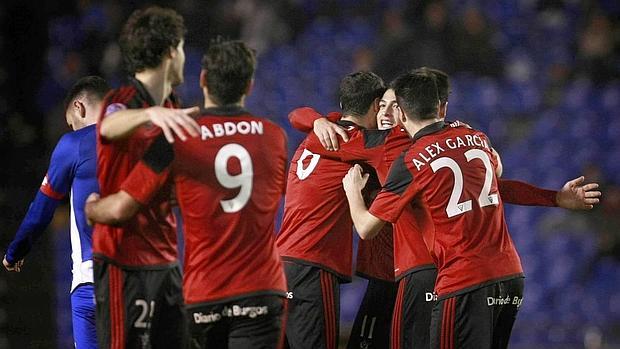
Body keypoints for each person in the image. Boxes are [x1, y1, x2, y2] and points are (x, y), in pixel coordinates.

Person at [291, 67, 602, 349]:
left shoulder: (400, 149)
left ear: (404, 109)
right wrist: (554, 198)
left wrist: (321, 131)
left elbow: (364, 221)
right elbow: (496, 178)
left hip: (427, 271)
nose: (385, 111)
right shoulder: (469, 135)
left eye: (391, 104)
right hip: (444, 272)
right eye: (381, 105)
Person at [87, 39, 289, 349]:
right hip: (262, 291)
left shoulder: (177, 135)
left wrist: (92, 208)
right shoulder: (275, 136)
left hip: (204, 296)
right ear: (249, 85)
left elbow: (121, 208)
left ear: (203, 80)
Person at [89, 6, 199, 348]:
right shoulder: (123, 100)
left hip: (166, 262)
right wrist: (148, 114)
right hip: (125, 262)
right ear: (170, 51)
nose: (183, 56)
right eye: (180, 48)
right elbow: (108, 125)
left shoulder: (172, 107)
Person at [276, 71, 387, 349]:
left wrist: (314, 119)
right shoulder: (356, 143)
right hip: (314, 267)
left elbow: (296, 114)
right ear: (376, 105)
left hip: (280, 265)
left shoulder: (317, 134)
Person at [3, 76, 110, 349]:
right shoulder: (137, 139)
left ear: (79, 107)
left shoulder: (74, 144)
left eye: (71, 122)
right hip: (136, 278)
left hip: (91, 282)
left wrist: (16, 251)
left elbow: (42, 207)